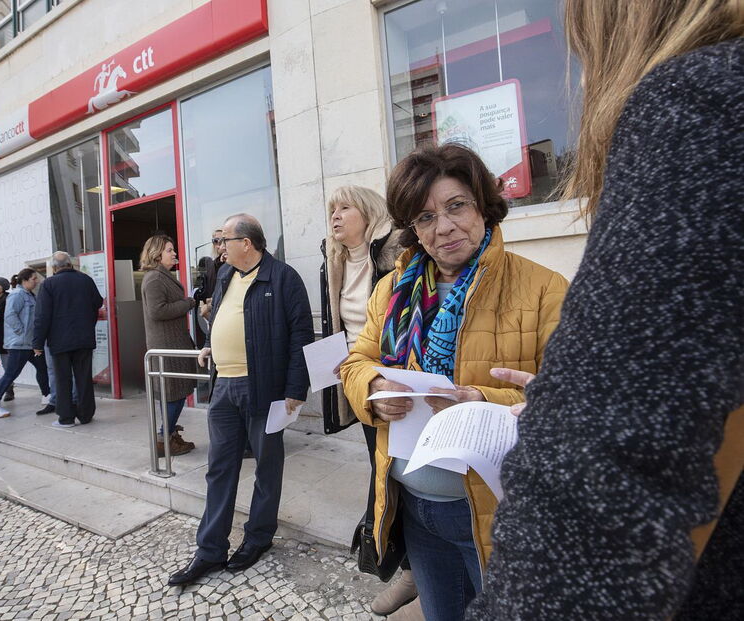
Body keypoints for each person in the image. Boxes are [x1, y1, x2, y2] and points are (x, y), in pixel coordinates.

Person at [467, 3, 743, 619]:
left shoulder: (706, 105)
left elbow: (590, 514)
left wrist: (554, 413)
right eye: (424, 217)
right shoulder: (400, 288)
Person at [339, 144, 568, 621]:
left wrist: (481, 400)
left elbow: (571, 402)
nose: (443, 227)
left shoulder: (545, 289)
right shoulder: (392, 289)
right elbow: (356, 361)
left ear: (483, 204)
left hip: (496, 516)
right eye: (424, 217)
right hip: (414, 510)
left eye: (456, 206)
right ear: (413, 230)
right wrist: (374, 390)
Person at [168, 214, 313, 586]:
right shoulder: (224, 275)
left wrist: (296, 389)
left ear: (246, 243)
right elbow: (220, 318)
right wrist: (207, 346)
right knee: (219, 469)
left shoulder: (283, 277)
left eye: (224, 240)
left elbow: (301, 334)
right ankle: (209, 551)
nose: (219, 247)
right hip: (223, 387)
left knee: (266, 466)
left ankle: (258, 537)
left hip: (263, 388)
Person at [318, 185, 413, 618]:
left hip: (397, 379)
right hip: (358, 379)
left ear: (368, 212)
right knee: (381, 466)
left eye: (344, 207)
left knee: (404, 471)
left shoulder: (397, 251)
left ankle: (413, 568)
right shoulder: (333, 263)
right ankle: (406, 562)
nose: (335, 216)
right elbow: (339, 325)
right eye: (331, 210)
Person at [140, 234, 198, 456]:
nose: (174, 254)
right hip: (167, 344)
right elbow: (158, 311)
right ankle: (165, 439)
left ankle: (169, 435)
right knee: (174, 393)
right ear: (156, 254)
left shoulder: (161, 276)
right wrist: (189, 303)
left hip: (173, 341)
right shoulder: (154, 278)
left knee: (176, 391)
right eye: (169, 250)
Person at [32, 251, 104, 428]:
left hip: (60, 340)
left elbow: (42, 316)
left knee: (63, 379)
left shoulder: (49, 284)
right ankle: (86, 415)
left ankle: (66, 418)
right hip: (84, 338)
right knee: (84, 377)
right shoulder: (85, 280)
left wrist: (37, 343)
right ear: (70, 264)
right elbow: (98, 302)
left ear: (55, 267)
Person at [0, 269, 51, 418]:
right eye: (34, 279)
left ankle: (47, 395)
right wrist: (22, 332)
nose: (37, 281)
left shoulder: (29, 295)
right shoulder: (17, 294)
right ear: (25, 280)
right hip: (19, 344)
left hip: (30, 343)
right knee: (11, 374)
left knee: (42, 368)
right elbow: (10, 315)